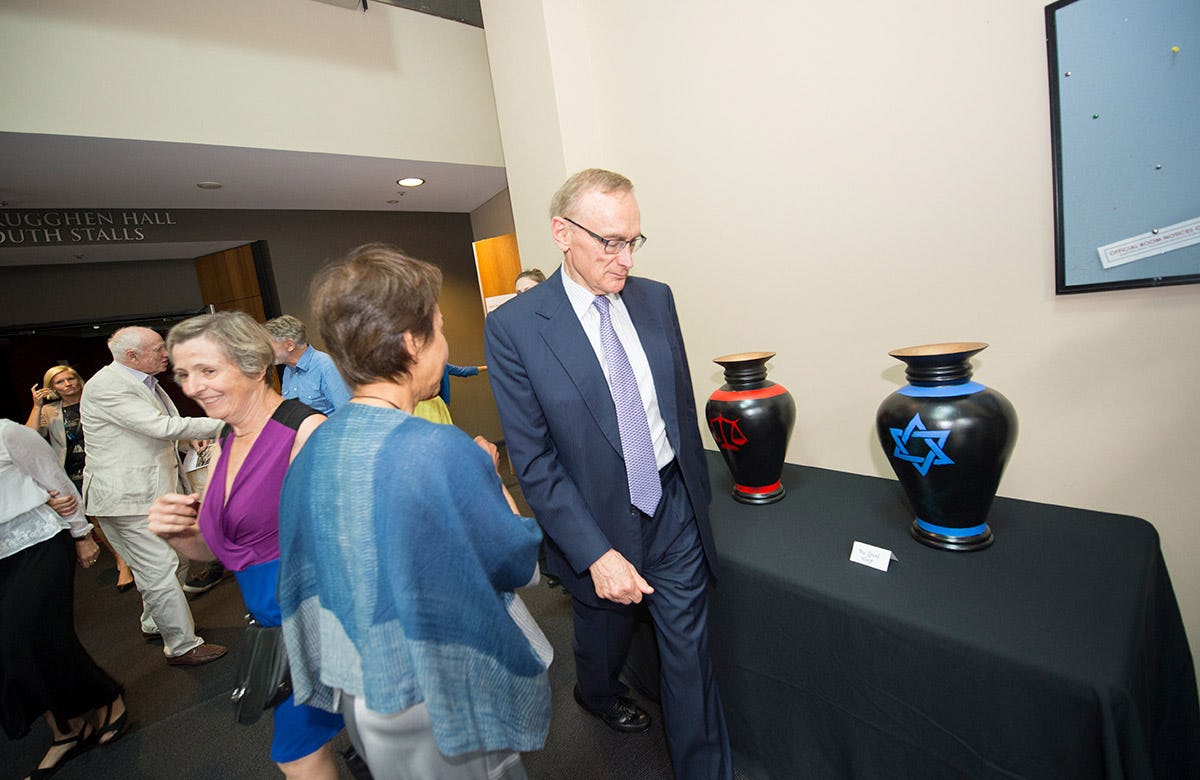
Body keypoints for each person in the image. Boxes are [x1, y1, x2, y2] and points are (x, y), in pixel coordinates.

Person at [484, 169, 732, 779]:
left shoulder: (655, 298)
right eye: (610, 242)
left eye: (634, 242)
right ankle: (594, 693)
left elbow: (676, 404)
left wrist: (697, 499)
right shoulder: (515, 329)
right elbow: (535, 459)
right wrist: (595, 553)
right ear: (562, 233)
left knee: (689, 659)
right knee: (601, 633)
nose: (624, 259)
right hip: (592, 519)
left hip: (670, 507)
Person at [277, 243, 551, 780]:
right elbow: (519, 564)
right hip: (441, 687)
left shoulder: (314, 446)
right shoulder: (438, 449)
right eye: (441, 331)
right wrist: (490, 477)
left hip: (363, 685)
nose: (446, 347)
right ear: (411, 342)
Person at [146, 311, 343, 778]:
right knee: (309, 751)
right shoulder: (224, 438)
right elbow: (217, 549)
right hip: (276, 628)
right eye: (183, 374)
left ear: (256, 366)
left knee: (301, 753)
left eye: (207, 370)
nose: (192, 387)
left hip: (322, 625)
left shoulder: (305, 431)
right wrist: (183, 535)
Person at [79, 326, 228, 666]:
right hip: (128, 497)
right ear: (132, 356)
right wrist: (224, 423)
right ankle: (182, 645)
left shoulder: (142, 380)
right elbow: (158, 427)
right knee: (160, 567)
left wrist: (188, 440)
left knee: (173, 560)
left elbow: (150, 432)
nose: (167, 354)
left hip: (150, 491)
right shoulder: (108, 385)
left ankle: (153, 621)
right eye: (159, 348)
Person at [1, 419, 128, 779]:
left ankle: (106, 699)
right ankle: (65, 730)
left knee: (31, 636)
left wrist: (81, 533)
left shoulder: (7, 433)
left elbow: (55, 479)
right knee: (10, 651)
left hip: (37, 542)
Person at [26, 364, 134, 592]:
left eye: (71, 378)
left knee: (121, 508)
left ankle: (137, 553)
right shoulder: (50, 411)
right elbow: (29, 438)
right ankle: (121, 560)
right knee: (97, 517)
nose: (68, 384)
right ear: (51, 387)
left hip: (108, 463)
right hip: (74, 469)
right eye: (60, 382)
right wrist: (37, 407)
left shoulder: (95, 398)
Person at [263, 314, 351, 415]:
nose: (266, 352)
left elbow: (346, 414)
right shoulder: (288, 370)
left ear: (290, 345)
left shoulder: (327, 366)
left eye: (269, 346)